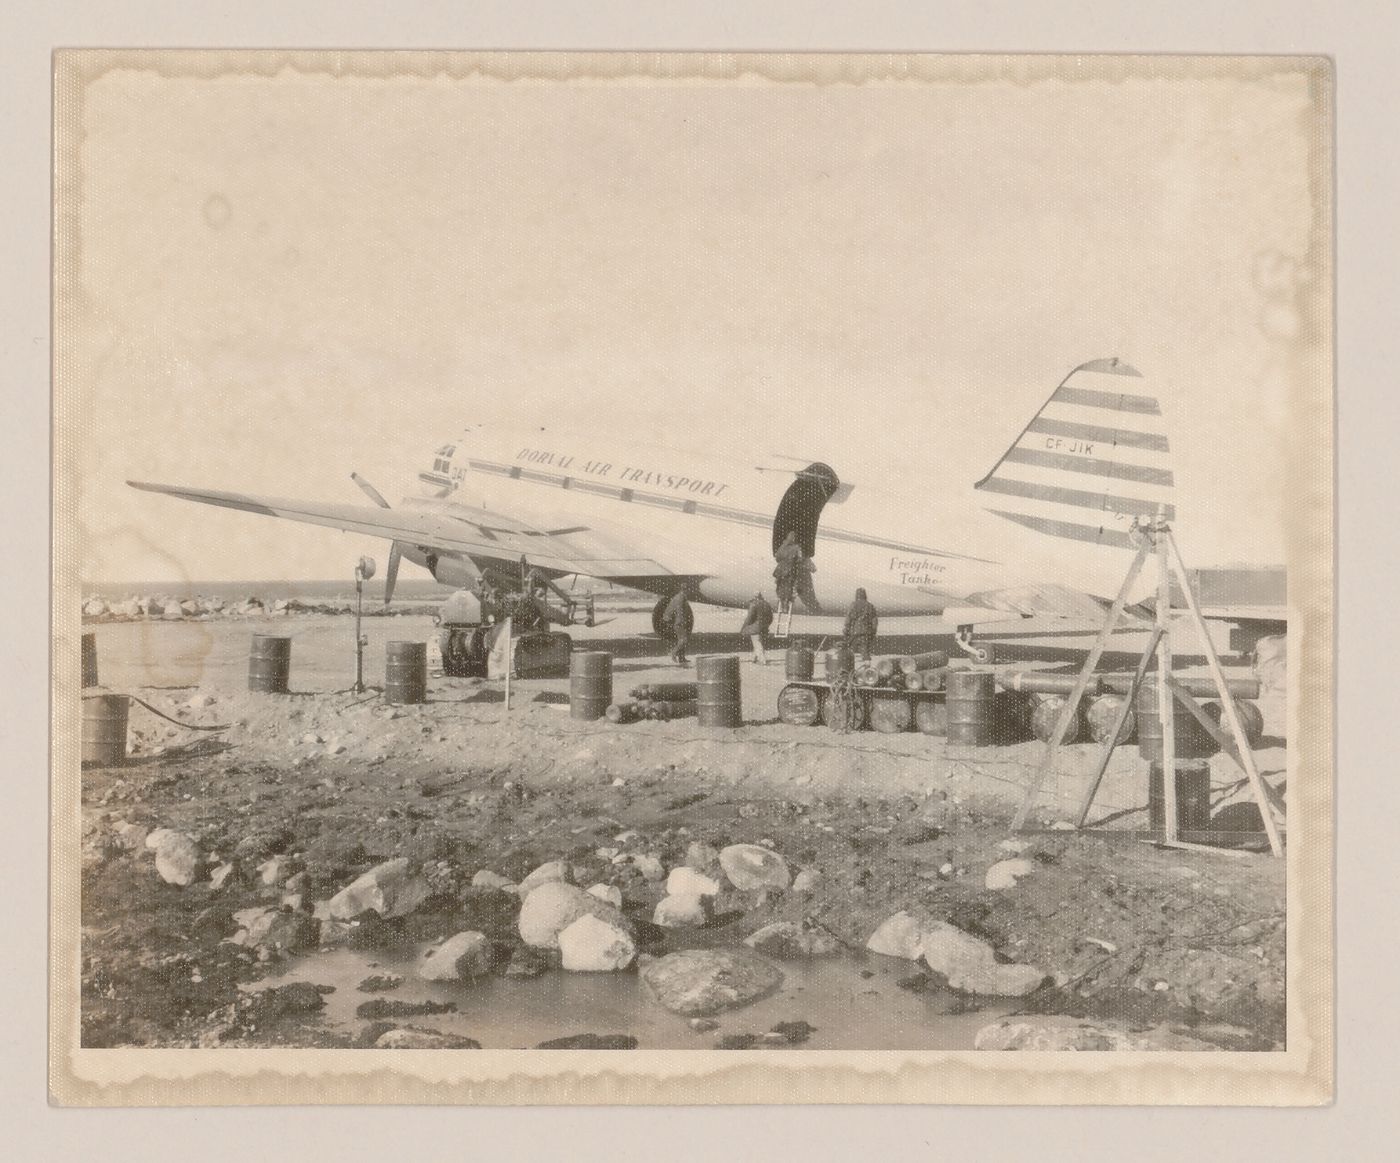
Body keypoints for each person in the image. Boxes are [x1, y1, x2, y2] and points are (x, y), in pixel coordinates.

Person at [844, 587, 878, 661]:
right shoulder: (870, 606)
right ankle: (867, 668)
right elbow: (874, 620)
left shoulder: (853, 605)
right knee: (865, 652)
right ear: (865, 595)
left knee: (849, 651)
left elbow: (848, 619)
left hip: (854, 632)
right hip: (866, 633)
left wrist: (846, 630)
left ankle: (849, 668)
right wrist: (873, 632)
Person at [738, 591, 774, 664]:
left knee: (757, 642)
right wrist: (767, 624)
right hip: (765, 626)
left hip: (756, 627)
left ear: (754, 597)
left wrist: (744, 627)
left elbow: (749, 617)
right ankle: (755, 658)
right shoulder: (767, 604)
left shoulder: (754, 604)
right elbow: (771, 617)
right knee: (760, 642)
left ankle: (762, 660)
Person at [662, 590, 694, 666]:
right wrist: (682, 622)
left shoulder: (679, 597)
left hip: (678, 621)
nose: (690, 592)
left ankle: (681, 658)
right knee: (684, 640)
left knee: (681, 639)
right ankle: (673, 653)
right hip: (679, 622)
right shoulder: (680, 598)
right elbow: (679, 610)